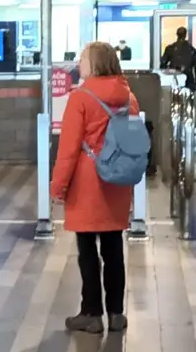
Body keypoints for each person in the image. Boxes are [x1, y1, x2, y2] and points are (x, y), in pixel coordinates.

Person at [49, 41, 139, 334]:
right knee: (114, 248)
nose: (78, 63)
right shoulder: (129, 98)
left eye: (83, 59)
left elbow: (69, 150)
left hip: (87, 182)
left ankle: (91, 313)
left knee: (87, 250)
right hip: (117, 180)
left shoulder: (81, 98)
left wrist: (57, 187)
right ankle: (116, 313)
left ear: (96, 64)